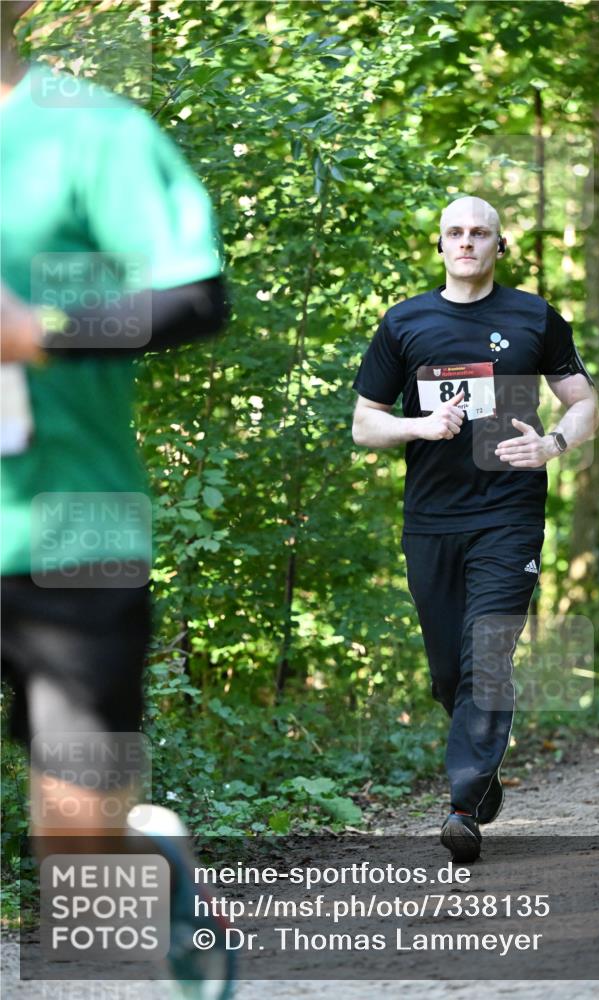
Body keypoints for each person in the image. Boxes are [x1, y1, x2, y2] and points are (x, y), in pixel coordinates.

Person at [1, 2, 233, 994]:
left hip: (73, 519)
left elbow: (195, 297)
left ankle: (157, 877)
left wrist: (41, 327)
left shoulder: (91, 130)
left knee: (78, 845)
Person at [352, 195, 599, 863]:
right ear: (439, 245)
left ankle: (462, 804)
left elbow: (583, 402)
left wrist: (551, 444)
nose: (466, 241)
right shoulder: (405, 323)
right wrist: (418, 426)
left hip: (508, 515)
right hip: (431, 520)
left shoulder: (532, 317)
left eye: (479, 232)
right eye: (455, 232)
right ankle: (480, 772)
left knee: (485, 657)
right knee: (446, 673)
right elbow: (364, 422)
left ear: (498, 245)